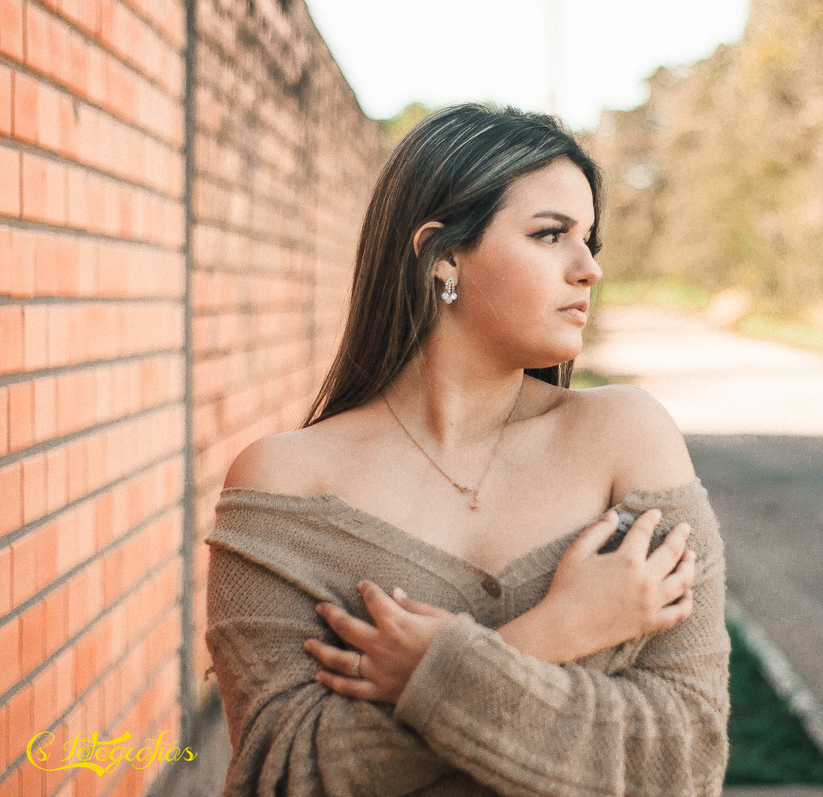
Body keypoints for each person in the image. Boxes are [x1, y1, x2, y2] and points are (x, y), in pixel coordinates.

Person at [204, 104, 730, 797]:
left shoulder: (626, 440)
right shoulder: (286, 482)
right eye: (551, 235)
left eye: (590, 241)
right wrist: (551, 632)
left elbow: (685, 757)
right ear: (442, 255)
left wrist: (425, 674)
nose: (589, 269)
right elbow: (286, 772)